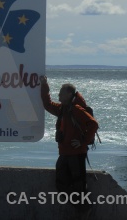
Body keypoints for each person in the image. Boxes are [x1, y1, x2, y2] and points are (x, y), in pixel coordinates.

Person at [39, 76, 98, 209]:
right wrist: (44, 85)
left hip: (76, 154)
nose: (59, 94)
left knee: (78, 185)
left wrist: (83, 142)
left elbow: (93, 124)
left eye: (61, 92)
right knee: (61, 183)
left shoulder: (76, 109)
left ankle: (84, 210)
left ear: (69, 94)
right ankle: (81, 208)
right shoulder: (62, 109)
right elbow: (47, 104)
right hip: (65, 153)